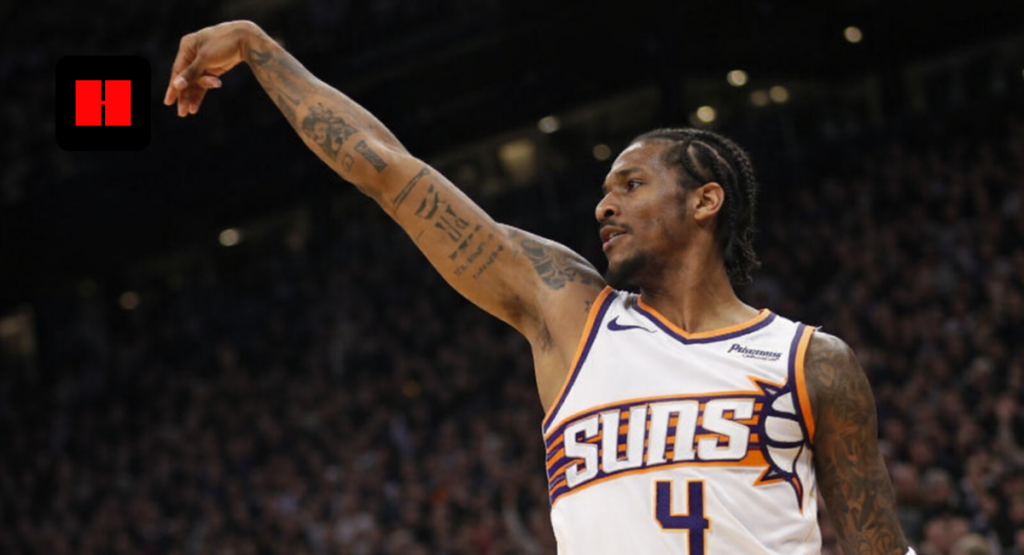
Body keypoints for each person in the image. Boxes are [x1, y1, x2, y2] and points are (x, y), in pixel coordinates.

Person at [165, 20, 915, 555]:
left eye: (629, 183)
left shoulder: (811, 362)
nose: (603, 205)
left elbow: (875, 544)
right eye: (602, 189)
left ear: (705, 200)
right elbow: (387, 170)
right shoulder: (570, 312)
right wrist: (264, 52)